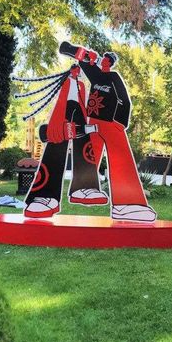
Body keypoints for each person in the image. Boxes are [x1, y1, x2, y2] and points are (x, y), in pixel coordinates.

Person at [59, 42, 157, 223]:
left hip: (111, 123)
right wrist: (73, 50)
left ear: (111, 64)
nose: (105, 61)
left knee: (121, 157)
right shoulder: (96, 75)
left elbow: (125, 100)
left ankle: (127, 204)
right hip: (94, 121)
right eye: (105, 58)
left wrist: (120, 122)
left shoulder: (113, 77)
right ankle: (82, 189)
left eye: (109, 60)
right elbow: (84, 60)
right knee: (89, 154)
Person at [23, 65, 108, 218]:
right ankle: (46, 194)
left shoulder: (81, 86)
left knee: (83, 136)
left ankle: (85, 185)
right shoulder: (65, 83)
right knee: (58, 135)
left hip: (79, 109)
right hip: (62, 111)